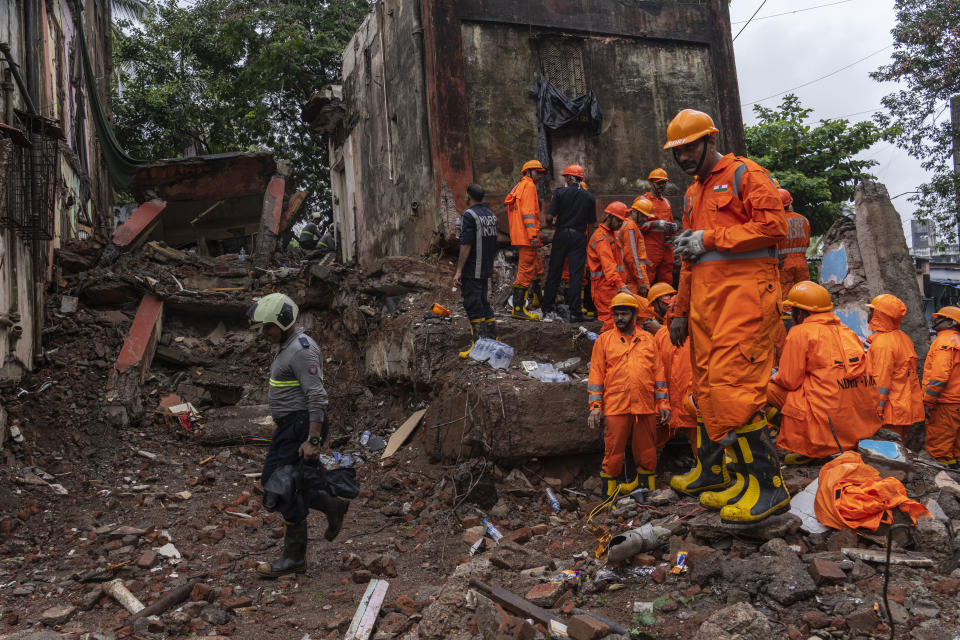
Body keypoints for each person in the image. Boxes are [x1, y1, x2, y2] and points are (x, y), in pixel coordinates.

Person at [664, 108, 788, 523]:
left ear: (710, 141)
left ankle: (770, 488)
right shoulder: (694, 193)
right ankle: (741, 478)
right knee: (712, 394)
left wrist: (712, 237)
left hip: (746, 300)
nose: (682, 158)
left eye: (689, 148)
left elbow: (774, 227)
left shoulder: (746, 174)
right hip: (706, 304)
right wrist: (679, 310)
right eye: (677, 152)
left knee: (736, 390)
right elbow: (687, 256)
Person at [247, 293, 348, 577]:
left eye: (268, 327)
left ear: (283, 322)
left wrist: (313, 439)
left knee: (276, 484)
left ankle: (294, 557)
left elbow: (317, 396)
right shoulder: (287, 345)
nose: (264, 333)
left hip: (301, 426)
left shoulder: (302, 350)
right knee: (294, 483)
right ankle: (332, 504)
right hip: (292, 426)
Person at [765, 282, 880, 465]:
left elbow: (789, 381)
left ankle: (804, 443)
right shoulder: (847, 331)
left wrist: (772, 377)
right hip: (857, 423)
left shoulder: (800, 332)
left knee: (760, 389)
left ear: (801, 312)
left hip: (825, 420)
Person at [587, 292, 671, 497]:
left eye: (624, 314)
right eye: (616, 314)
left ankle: (648, 493)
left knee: (647, 451)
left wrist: (663, 405)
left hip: (644, 405)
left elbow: (659, 374)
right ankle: (609, 496)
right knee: (613, 452)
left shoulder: (648, 340)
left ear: (635, 315)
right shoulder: (604, 341)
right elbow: (596, 375)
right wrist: (595, 408)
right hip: (616, 404)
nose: (619, 319)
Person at [864, 294, 923, 443]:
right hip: (903, 407)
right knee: (897, 450)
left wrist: (876, 410)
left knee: (887, 454)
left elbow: (881, 381)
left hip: (889, 411)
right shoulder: (903, 337)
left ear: (879, 315)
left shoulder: (883, 343)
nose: (869, 314)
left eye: (872, 310)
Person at [541, 164, 596, 322]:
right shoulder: (589, 197)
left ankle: (546, 310)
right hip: (579, 236)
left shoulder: (560, 193)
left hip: (562, 234)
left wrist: (555, 225)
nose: (564, 180)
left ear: (570, 178)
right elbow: (591, 224)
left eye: (566, 177)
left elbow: (549, 218)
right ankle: (575, 312)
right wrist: (586, 241)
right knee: (576, 275)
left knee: (554, 272)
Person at [453, 184, 499, 357]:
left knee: (473, 303)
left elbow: (466, 245)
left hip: (473, 267)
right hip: (486, 266)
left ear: (468, 197)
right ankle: (494, 341)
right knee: (484, 302)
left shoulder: (469, 215)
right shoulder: (491, 216)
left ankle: (478, 346)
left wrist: (458, 271)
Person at [505, 160, 547, 320]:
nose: (540, 176)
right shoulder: (529, 187)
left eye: (541, 173)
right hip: (528, 237)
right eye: (538, 172)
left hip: (520, 236)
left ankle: (537, 299)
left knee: (536, 265)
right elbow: (529, 214)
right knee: (525, 271)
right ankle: (518, 309)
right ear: (528, 172)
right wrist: (533, 236)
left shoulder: (519, 186)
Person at [921, 306, 960, 468]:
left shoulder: (944, 342)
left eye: (940, 318)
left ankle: (943, 485)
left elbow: (939, 378)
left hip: (944, 404)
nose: (936, 320)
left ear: (951, 322)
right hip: (954, 403)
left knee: (939, 449)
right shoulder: (955, 341)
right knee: (955, 448)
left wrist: (927, 402)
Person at [587, 202, 633, 331]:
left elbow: (618, 264)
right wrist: (621, 286)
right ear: (609, 217)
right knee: (609, 323)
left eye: (621, 221)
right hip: (605, 289)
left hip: (612, 286)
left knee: (618, 323)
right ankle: (605, 349)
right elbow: (609, 266)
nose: (620, 224)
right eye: (618, 220)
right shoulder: (601, 238)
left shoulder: (611, 234)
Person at [640, 168, 677, 285]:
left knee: (667, 277)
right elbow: (635, 226)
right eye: (659, 183)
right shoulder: (642, 201)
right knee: (646, 278)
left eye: (664, 183)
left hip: (666, 246)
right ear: (650, 183)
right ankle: (644, 302)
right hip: (650, 247)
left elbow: (669, 221)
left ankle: (665, 301)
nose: (661, 186)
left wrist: (673, 228)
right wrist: (655, 224)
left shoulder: (666, 202)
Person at [776, 189, 811, 297]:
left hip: (783, 263)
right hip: (802, 262)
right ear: (790, 203)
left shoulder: (777, 221)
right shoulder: (804, 220)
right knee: (804, 292)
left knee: (785, 295)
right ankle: (803, 313)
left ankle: (787, 313)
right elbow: (807, 243)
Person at [619, 199, 651, 297]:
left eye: (646, 216)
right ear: (634, 212)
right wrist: (641, 281)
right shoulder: (630, 227)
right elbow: (631, 257)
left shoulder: (628, 224)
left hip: (632, 275)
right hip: (632, 277)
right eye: (643, 216)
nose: (645, 219)